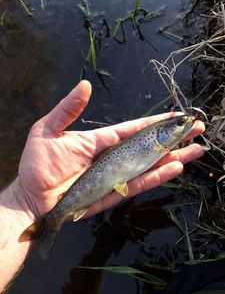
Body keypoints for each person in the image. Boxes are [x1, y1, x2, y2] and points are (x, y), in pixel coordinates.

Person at [0, 80, 205, 292]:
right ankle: (53, 220)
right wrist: (27, 200)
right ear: (161, 133)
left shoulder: (161, 142)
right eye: (180, 125)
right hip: (95, 182)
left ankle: (48, 221)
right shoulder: (156, 140)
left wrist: (24, 201)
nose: (185, 124)